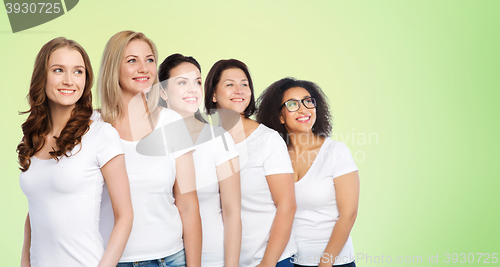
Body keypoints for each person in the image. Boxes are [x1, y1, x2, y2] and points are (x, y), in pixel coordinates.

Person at [17, 37, 133, 267]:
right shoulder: (33, 137)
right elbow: (37, 207)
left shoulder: (101, 134)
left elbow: (125, 217)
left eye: (78, 72)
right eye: (58, 70)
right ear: (42, 76)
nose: (69, 81)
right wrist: (25, 261)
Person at [97, 31, 202, 267]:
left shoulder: (171, 122)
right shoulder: (92, 126)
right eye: (132, 60)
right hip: (109, 260)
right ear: (114, 67)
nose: (143, 68)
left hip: (170, 259)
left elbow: (188, 205)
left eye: (150, 59)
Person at [256, 78, 359, 267]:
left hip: (335, 262)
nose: (303, 109)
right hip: (289, 260)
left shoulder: (336, 152)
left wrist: (325, 263)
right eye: (292, 104)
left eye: (308, 101)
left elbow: (349, 214)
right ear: (280, 117)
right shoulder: (275, 158)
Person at [204, 59, 297, 267]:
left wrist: (267, 263)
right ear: (212, 94)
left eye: (244, 84)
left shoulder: (268, 140)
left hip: (270, 260)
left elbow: (287, 206)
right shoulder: (205, 141)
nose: (239, 90)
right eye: (230, 84)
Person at [158, 53, 242, 267]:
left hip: (212, 258)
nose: (193, 89)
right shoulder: (150, 140)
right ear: (163, 92)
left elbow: (232, 213)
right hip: (162, 257)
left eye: (197, 81)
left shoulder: (219, 139)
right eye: (182, 82)